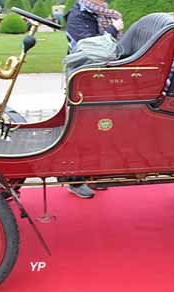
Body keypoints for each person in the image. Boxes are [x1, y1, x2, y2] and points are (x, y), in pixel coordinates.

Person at [63, 0, 123, 199]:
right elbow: (94, 50)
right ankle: (76, 180)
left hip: (96, 77)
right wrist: (113, 30)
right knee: (80, 131)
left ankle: (93, 174)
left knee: (98, 129)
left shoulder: (98, 14)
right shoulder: (77, 17)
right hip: (82, 79)